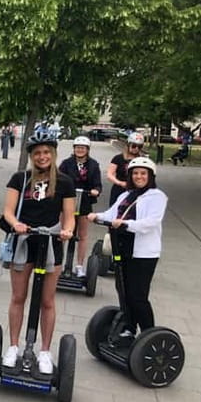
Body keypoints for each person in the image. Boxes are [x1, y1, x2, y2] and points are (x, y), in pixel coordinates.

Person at [1, 131, 75, 374]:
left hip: (51, 241)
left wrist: (67, 231)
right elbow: (8, 211)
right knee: (18, 297)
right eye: (37, 153)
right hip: (25, 240)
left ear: (52, 154)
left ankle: (44, 350)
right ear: (31, 156)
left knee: (47, 300)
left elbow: (69, 216)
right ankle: (13, 346)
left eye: (46, 152)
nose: (42, 157)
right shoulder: (20, 178)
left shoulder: (64, 182)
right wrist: (16, 224)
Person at [88, 157, 166, 340]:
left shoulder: (157, 197)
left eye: (143, 173)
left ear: (150, 176)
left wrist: (125, 224)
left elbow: (150, 223)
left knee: (138, 296)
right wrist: (95, 215)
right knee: (123, 290)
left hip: (144, 253)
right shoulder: (125, 195)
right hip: (123, 248)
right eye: (135, 173)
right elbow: (111, 214)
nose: (139, 176)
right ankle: (130, 328)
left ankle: (148, 334)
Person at [58, 136, 102, 277]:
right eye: (77, 147)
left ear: (87, 150)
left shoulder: (93, 165)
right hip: (67, 201)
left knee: (82, 235)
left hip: (84, 201)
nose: (80, 150)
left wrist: (96, 190)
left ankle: (79, 266)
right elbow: (59, 178)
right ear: (74, 149)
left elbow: (97, 184)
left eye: (83, 148)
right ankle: (58, 262)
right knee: (62, 233)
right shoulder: (66, 163)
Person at [107, 132, 145, 205]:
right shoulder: (118, 158)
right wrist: (120, 183)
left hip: (136, 190)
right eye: (134, 146)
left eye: (139, 147)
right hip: (119, 190)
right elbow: (109, 174)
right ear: (128, 145)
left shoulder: (142, 160)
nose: (136, 148)